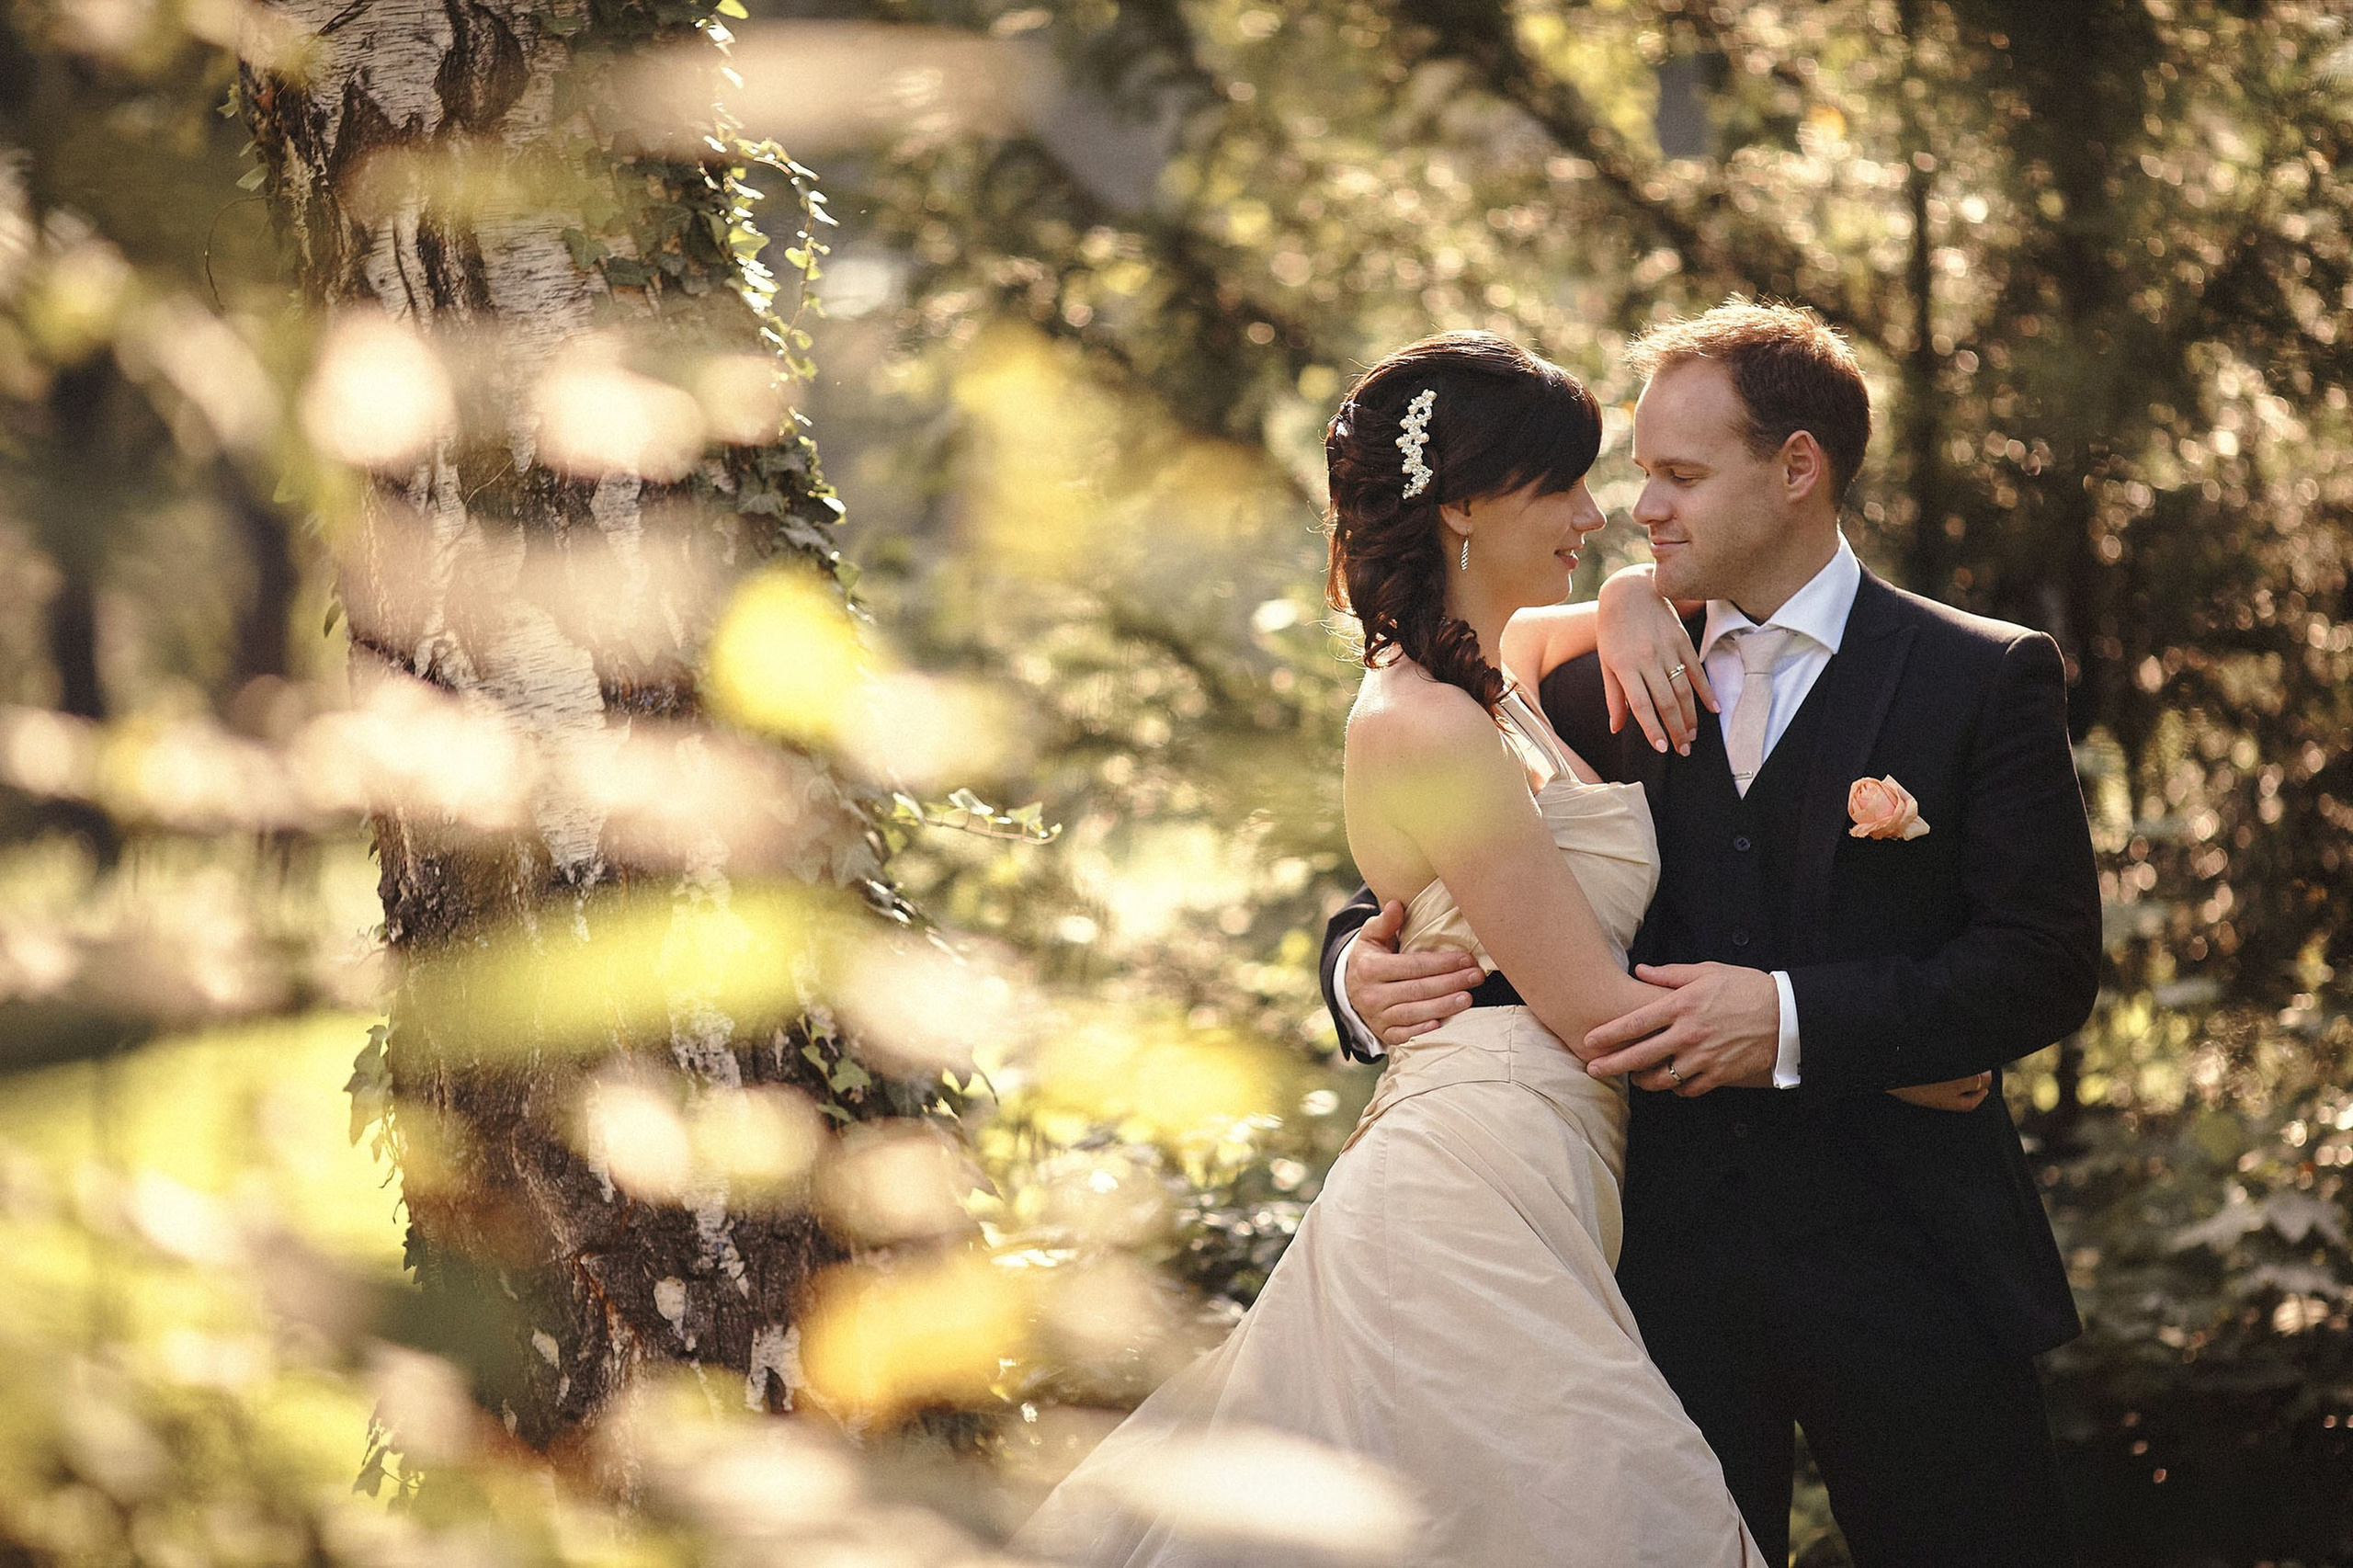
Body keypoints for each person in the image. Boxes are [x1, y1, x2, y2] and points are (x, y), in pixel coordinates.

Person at [1323, 301, 2102, 1566]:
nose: (1638, 509)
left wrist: (1798, 1023)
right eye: (1635, 477)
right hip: (1652, 1270)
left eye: (1677, 475)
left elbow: (2042, 961)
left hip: (1913, 1260)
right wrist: (1352, 971)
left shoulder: (1980, 677)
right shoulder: (1582, 680)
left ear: (1798, 469)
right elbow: (1421, 880)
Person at [1016, 331, 1764, 1566]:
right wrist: (1820, 1027)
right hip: (1470, 1181)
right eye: (1561, 487)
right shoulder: (1425, 723)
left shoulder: (1493, 673)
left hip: (1545, 1167)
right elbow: (1596, 1013)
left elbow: (1589, 622)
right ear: (1463, 505)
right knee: (1642, 1516)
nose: (1594, 512)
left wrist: (1633, 599)